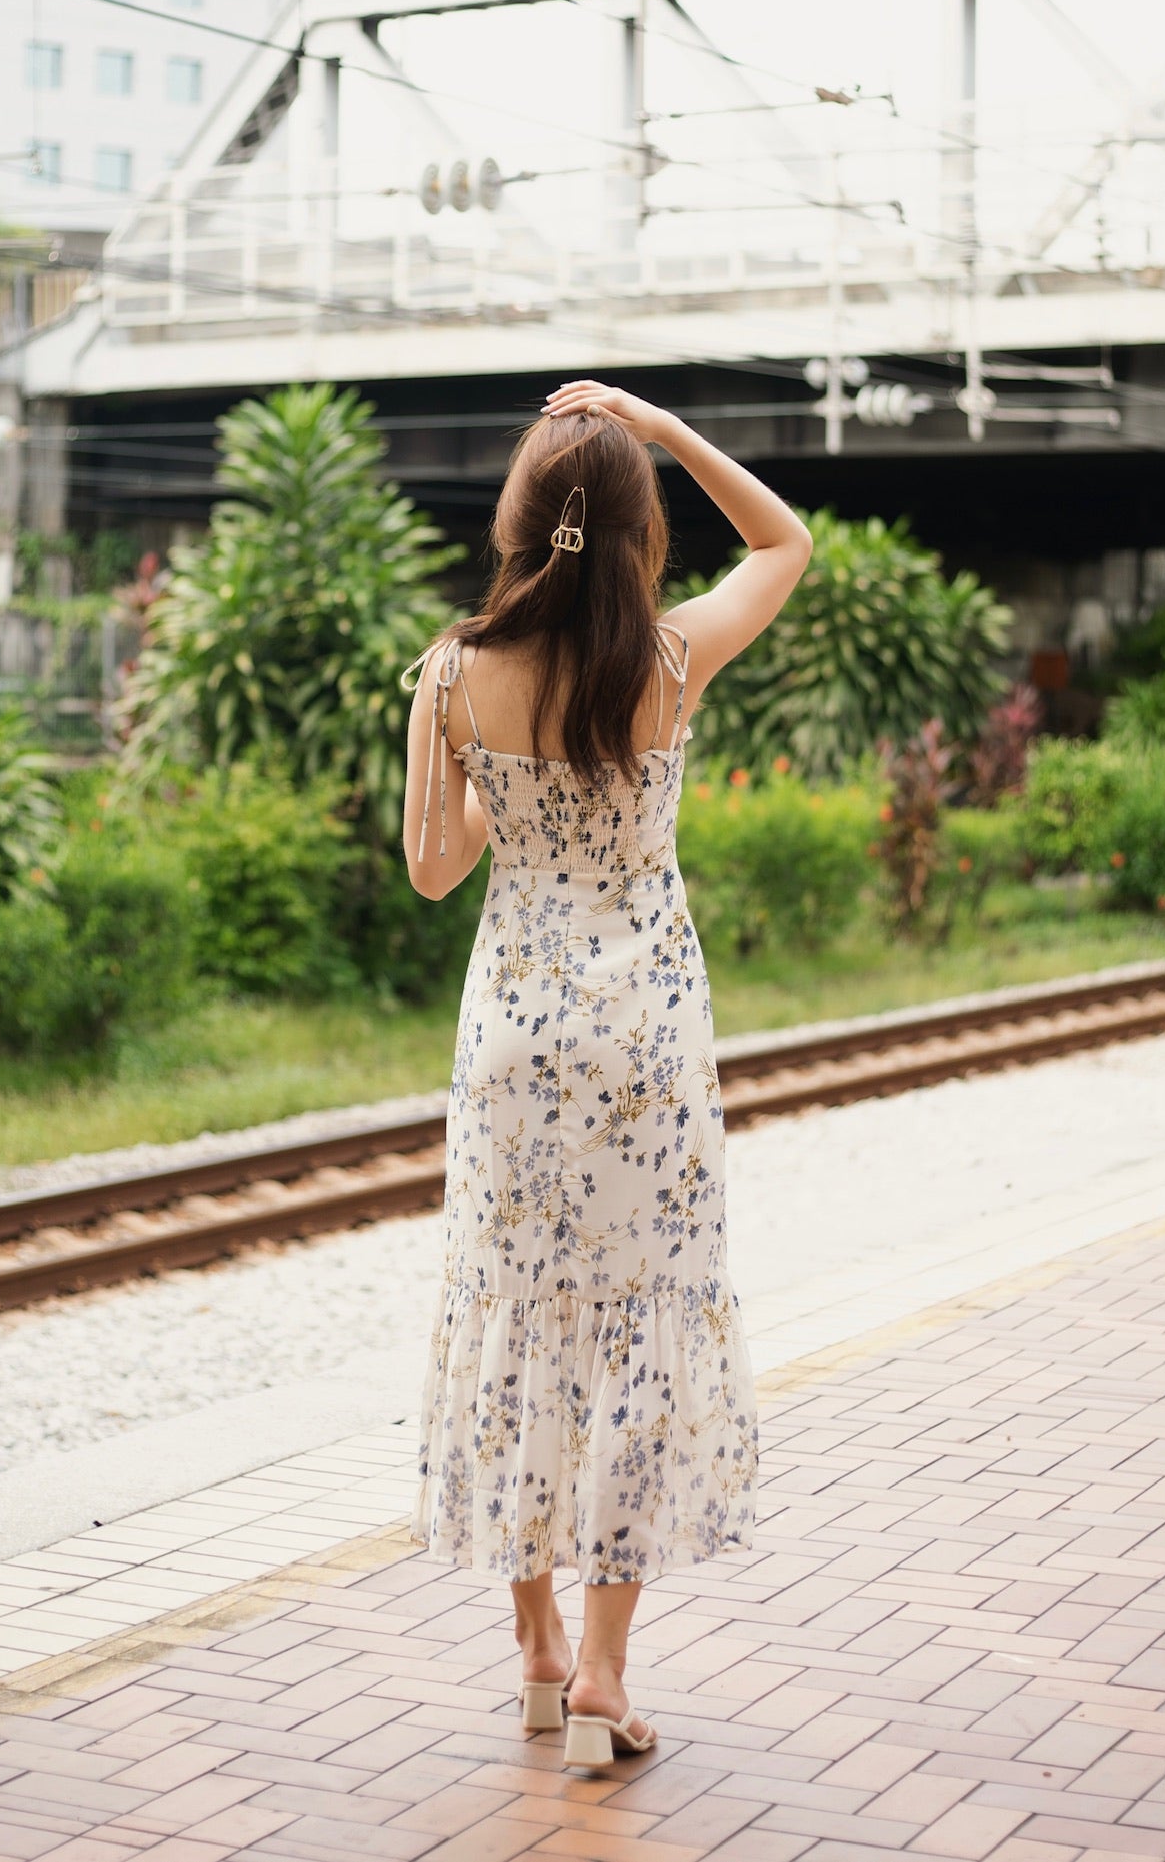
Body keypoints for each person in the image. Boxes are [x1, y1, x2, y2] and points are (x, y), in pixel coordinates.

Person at [403, 379, 811, 1770]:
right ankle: (602, 1674)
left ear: (515, 527)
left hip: (514, 1037)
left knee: (518, 1316)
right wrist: (666, 430)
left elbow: (435, 867)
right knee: (640, 1324)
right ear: (640, 536)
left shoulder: (456, 671)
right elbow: (785, 545)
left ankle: (532, 1652)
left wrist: (474, 764)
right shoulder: (675, 659)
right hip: (646, 1037)